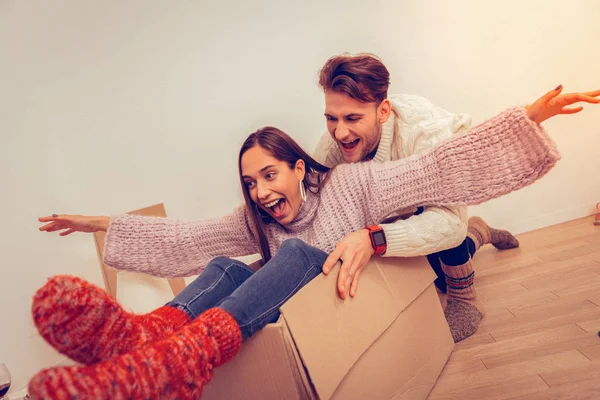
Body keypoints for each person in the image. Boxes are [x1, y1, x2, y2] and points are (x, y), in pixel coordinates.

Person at [28, 87, 597, 399]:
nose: (260, 190)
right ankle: (146, 337)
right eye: (250, 182)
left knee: (449, 236)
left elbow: (436, 170)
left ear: (300, 168)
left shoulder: (350, 184)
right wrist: (100, 223)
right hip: (267, 313)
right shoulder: (258, 217)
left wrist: (529, 116)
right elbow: (189, 238)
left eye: (270, 175)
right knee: (229, 264)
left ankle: (185, 357)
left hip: (352, 287)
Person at [312, 53, 569, 341]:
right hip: (393, 213)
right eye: (331, 118)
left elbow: (448, 224)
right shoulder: (329, 151)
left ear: (383, 111)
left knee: (450, 260)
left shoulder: (424, 132)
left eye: (352, 118)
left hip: (442, 199)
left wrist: (375, 238)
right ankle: (479, 232)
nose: (340, 131)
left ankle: (465, 299)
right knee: (436, 275)